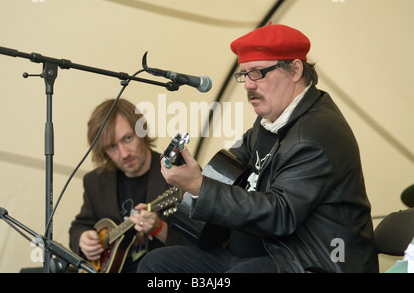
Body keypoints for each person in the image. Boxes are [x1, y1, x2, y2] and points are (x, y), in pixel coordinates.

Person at [138, 23, 379, 273]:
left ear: (295, 70)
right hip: (255, 253)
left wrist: (199, 185)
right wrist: (195, 175)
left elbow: (280, 214)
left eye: (257, 73)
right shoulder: (271, 120)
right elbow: (230, 169)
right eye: (244, 74)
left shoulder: (315, 134)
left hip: (311, 261)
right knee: (156, 265)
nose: (248, 85)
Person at [69, 98, 183, 273]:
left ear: (142, 132)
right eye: (112, 146)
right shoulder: (95, 182)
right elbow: (79, 226)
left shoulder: (178, 172)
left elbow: (204, 244)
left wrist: (159, 228)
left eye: (128, 138)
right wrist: (83, 239)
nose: (124, 154)